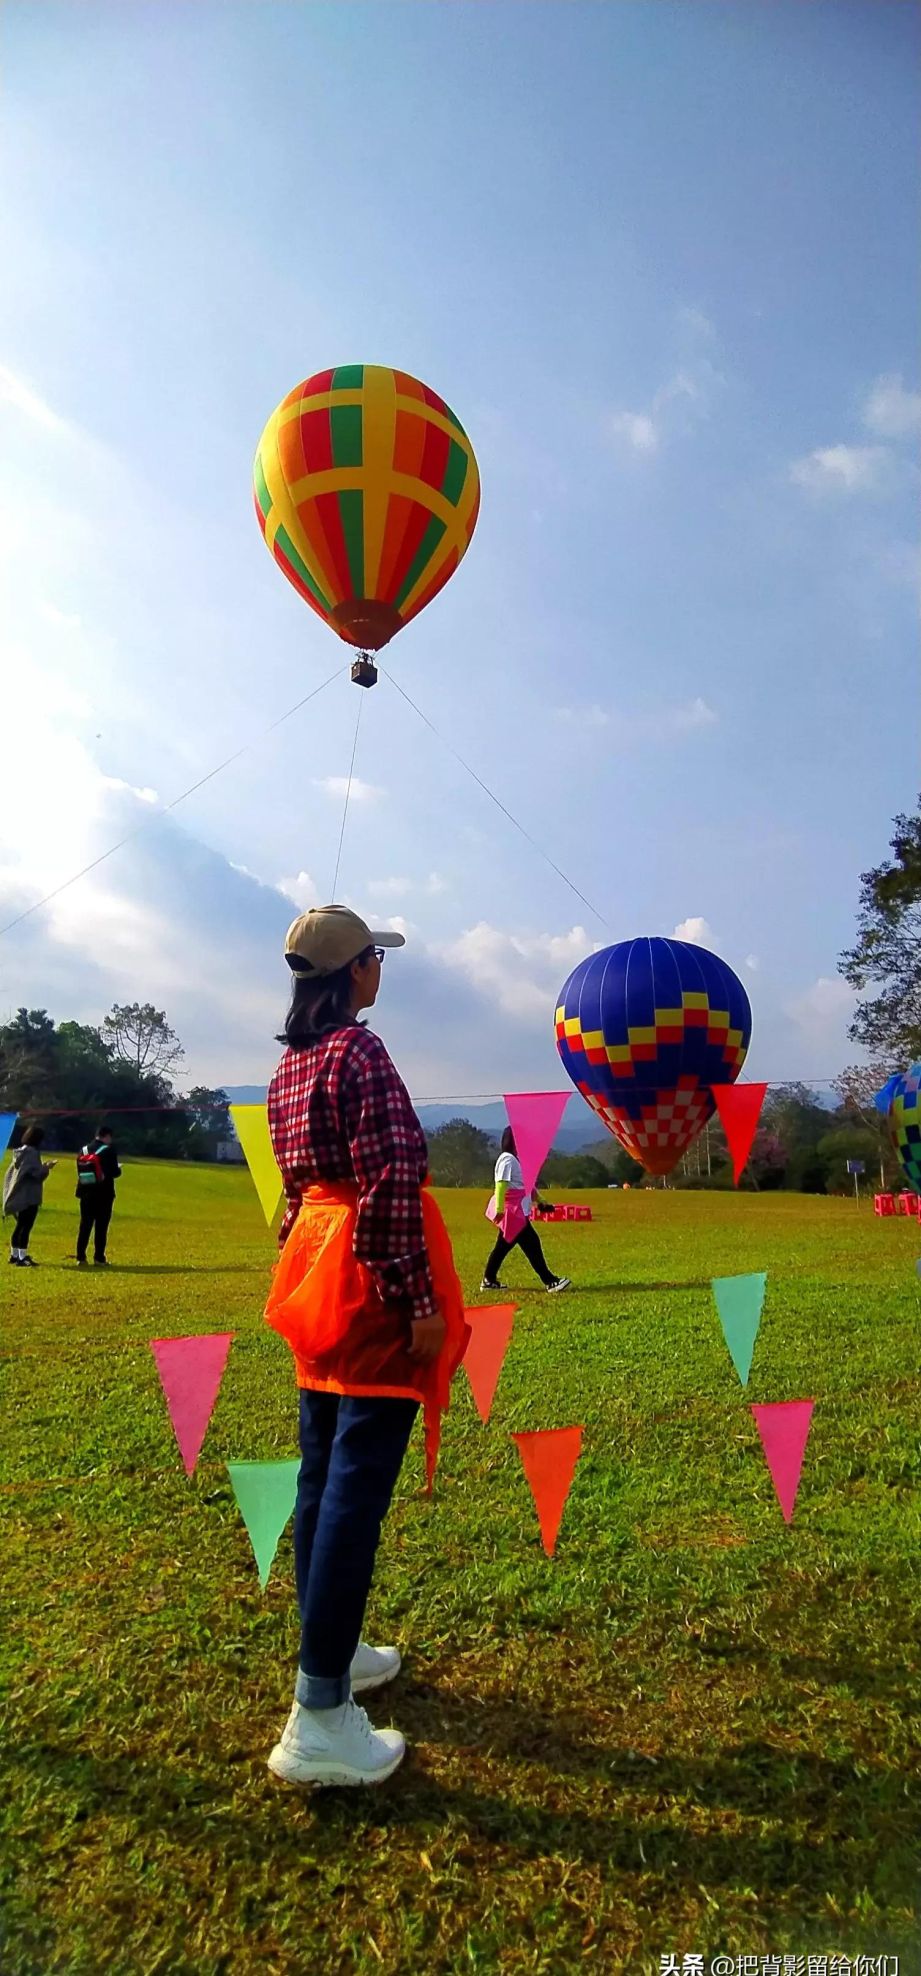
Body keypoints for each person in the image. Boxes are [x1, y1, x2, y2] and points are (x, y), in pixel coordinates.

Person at [262, 905, 469, 1791]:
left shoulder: (289, 1063)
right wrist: (416, 1298)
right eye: (376, 956)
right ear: (355, 974)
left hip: (314, 1266)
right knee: (352, 1492)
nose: (380, 968)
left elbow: (296, 1190)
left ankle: (332, 1659)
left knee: (318, 1475)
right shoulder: (359, 1051)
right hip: (367, 1274)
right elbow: (391, 1173)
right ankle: (319, 1717)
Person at [481, 1127, 571, 1293]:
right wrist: (500, 1208)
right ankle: (550, 1281)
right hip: (513, 1213)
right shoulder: (507, 1159)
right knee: (532, 1245)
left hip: (519, 1212)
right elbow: (501, 1184)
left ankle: (489, 1280)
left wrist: (541, 1202)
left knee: (502, 1247)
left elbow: (528, 1186)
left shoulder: (516, 1160)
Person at [3, 1125, 56, 1266]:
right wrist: (47, 1167)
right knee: (26, 1226)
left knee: (20, 1225)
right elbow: (35, 1174)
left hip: (19, 1195)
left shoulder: (20, 1152)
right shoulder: (32, 1153)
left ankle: (14, 1255)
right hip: (29, 1196)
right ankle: (22, 1257)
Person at [75, 1127, 121, 1267]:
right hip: (104, 1193)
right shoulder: (109, 1151)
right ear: (107, 1136)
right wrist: (118, 1168)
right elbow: (114, 1172)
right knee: (101, 1227)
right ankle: (99, 1257)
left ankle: (81, 1257)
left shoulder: (83, 1150)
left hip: (86, 1192)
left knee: (85, 1225)